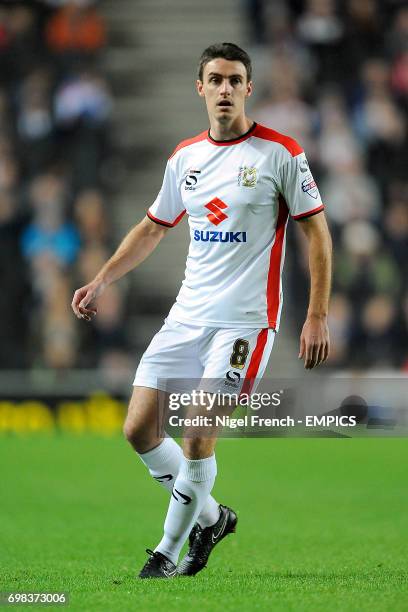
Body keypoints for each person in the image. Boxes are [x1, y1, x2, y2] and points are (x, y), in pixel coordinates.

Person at [71, 42, 332, 579]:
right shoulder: (184, 157)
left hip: (245, 324)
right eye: (215, 79)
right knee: (139, 429)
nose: (225, 89)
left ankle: (167, 551)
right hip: (185, 317)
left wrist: (317, 313)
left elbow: (317, 232)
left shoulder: (281, 153)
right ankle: (211, 517)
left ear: (248, 88)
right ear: (200, 88)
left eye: (235, 80)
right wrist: (101, 279)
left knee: (196, 432)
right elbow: (151, 228)